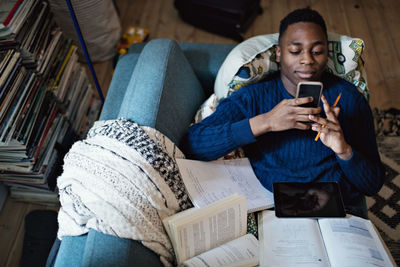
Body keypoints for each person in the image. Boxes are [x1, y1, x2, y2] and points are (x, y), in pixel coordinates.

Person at [181, 8, 385, 219]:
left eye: (317, 51)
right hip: (274, 211)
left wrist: (344, 151)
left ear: (327, 53)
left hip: (341, 209)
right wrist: (266, 122)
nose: (307, 60)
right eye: (295, 51)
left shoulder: (349, 98)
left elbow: (373, 185)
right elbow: (193, 144)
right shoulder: (253, 96)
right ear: (279, 53)